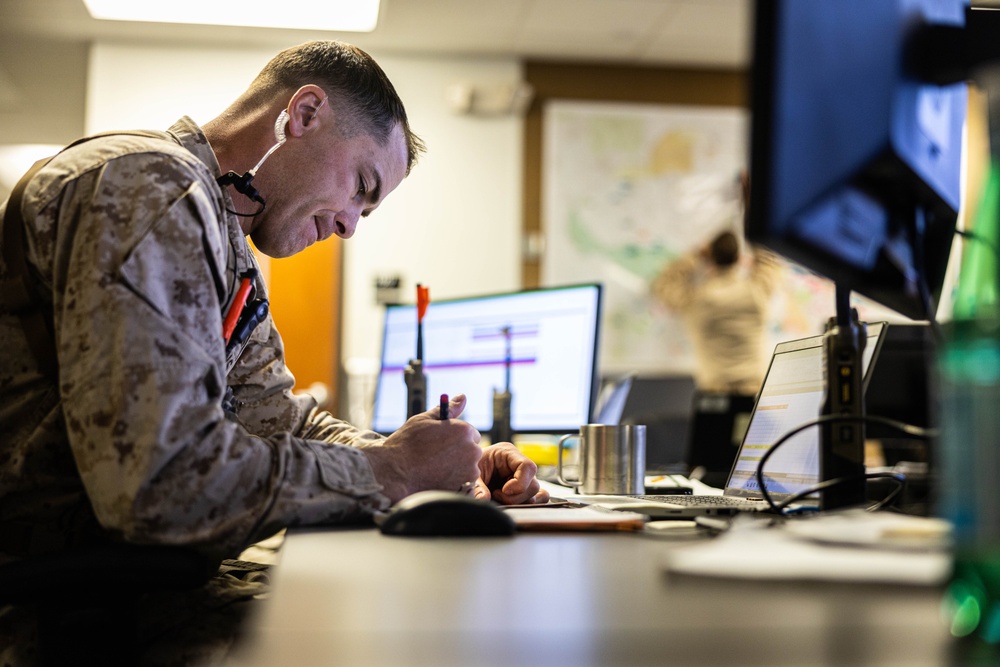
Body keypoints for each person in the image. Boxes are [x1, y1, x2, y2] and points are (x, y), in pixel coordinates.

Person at [0, 40, 547, 663]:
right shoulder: (149, 186)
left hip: (130, 583)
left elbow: (280, 418)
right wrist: (391, 473)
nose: (348, 226)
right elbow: (160, 487)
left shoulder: (225, 236)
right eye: (361, 188)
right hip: (67, 608)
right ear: (304, 112)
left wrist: (429, 464)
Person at [651, 228, 780, 395]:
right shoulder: (757, 291)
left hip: (715, 392)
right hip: (756, 389)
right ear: (739, 258)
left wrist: (696, 256)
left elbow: (664, 284)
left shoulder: (696, 299)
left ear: (710, 257)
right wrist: (753, 240)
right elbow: (770, 260)